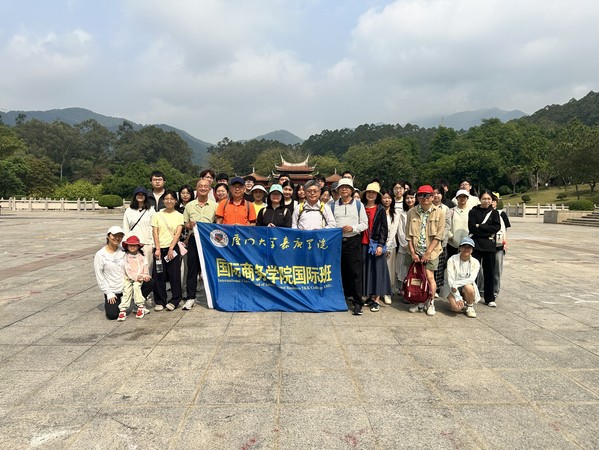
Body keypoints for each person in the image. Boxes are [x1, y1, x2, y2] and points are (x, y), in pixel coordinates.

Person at [405, 185, 446, 316]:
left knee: (429, 276)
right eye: (421, 195)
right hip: (415, 251)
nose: (424, 198)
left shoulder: (439, 213)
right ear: (418, 197)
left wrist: (428, 253)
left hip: (432, 251)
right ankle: (419, 301)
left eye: (427, 195)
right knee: (417, 277)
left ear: (432, 197)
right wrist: (413, 252)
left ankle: (431, 302)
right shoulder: (411, 212)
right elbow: (408, 235)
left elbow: (439, 236)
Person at [331, 178, 368, 315]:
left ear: (352, 190)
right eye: (342, 187)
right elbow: (329, 223)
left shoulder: (358, 205)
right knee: (338, 271)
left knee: (355, 273)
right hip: (337, 241)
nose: (344, 189)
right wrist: (337, 229)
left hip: (353, 241)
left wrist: (353, 228)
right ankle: (340, 300)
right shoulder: (332, 205)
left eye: (347, 187)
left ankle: (358, 302)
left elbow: (364, 224)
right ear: (338, 190)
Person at [182, 179, 218, 310]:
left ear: (209, 189)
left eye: (205, 186)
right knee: (192, 268)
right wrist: (189, 225)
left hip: (209, 241)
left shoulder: (215, 206)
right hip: (194, 239)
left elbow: (218, 223)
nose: (203, 188)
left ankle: (213, 296)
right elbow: (184, 223)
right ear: (197, 189)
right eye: (200, 186)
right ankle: (190, 297)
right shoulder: (190, 205)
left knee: (210, 268)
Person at [151, 190, 184, 311]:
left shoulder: (179, 215)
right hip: (159, 249)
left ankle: (175, 300)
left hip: (172, 248)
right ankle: (160, 301)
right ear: (163, 200)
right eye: (166, 199)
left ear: (175, 201)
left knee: (174, 275)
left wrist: (171, 248)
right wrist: (157, 248)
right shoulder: (157, 215)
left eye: (171, 199)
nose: (169, 201)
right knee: (159, 275)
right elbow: (155, 232)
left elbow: (178, 233)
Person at [361, 182, 391, 312]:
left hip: (375, 244)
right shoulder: (361, 207)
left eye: (373, 193)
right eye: (369, 192)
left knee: (378, 271)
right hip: (363, 243)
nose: (371, 194)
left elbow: (384, 229)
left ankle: (377, 299)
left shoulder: (380, 209)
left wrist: (380, 245)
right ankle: (370, 296)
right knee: (367, 270)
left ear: (377, 195)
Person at [468, 189, 501, 307]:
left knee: (489, 272)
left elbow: (496, 228)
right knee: (473, 272)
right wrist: (487, 230)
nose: (486, 201)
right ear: (480, 199)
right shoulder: (473, 212)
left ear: (492, 200)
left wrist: (480, 226)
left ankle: (489, 298)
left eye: (489, 199)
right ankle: (471, 296)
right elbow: (472, 228)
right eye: (484, 198)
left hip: (489, 247)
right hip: (476, 245)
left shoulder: (494, 213)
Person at [443, 237, 481, 318]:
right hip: (451, 287)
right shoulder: (452, 260)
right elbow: (450, 280)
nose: (466, 249)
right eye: (464, 247)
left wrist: (456, 284)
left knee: (469, 287)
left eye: (469, 247)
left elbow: (471, 279)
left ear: (472, 250)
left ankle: (470, 306)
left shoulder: (475, 262)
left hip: (463, 286)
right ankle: (459, 303)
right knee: (456, 308)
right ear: (460, 248)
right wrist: (458, 297)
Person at [123, 187, 156, 277]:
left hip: (147, 243)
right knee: (133, 268)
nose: (140, 196)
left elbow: (154, 228)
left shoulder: (151, 210)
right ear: (135, 196)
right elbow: (126, 228)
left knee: (147, 268)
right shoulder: (129, 211)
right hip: (133, 244)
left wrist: (154, 244)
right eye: (138, 194)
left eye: (142, 195)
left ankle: (146, 285)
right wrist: (126, 243)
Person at [95, 226, 126, 320]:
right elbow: (99, 275)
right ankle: (118, 302)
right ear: (108, 236)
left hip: (126, 287)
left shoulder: (123, 251)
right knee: (112, 315)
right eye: (114, 235)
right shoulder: (100, 255)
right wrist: (108, 292)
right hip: (113, 290)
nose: (117, 238)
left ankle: (135, 302)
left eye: (120, 236)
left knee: (149, 282)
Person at [118, 235, 152, 321]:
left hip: (139, 277)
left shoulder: (141, 256)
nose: (132, 247)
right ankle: (123, 309)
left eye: (134, 245)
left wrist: (145, 276)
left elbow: (145, 267)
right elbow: (128, 270)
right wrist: (136, 277)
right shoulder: (125, 257)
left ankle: (140, 306)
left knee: (137, 287)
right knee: (127, 291)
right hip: (128, 278)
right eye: (130, 245)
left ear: (138, 246)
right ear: (127, 246)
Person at [381, 188, 400, 305]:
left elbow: (393, 231)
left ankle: (387, 292)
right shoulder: (379, 210)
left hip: (390, 245)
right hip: (378, 245)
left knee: (389, 269)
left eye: (389, 198)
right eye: (384, 197)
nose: (387, 200)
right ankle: (379, 290)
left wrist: (387, 247)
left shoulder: (395, 213)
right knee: (379, 269)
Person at [432, 185, 451, 297]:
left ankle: (437, 287)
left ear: (442, 195)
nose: (436, 195)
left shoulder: (446, 209)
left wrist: (439, 238)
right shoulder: (427, 207)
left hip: (441, 242)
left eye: (438, 193)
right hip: (428, 242)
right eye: (433, 193)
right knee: (430, 265)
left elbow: (447, 226)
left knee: (439, 265)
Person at [492, 193, 511, 300]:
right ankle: (483, 289)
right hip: (486, 245)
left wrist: (505, 243)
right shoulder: (483, 213)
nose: (491, 203)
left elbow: (505, 230)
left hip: (499, 245)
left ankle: (495, 290)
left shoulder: (501, 214)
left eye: (493, 201)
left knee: (497, 269)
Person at [446, 189, 471, 260]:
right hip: (452, 244)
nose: (462, 198)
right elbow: (446, 225)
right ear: (456, 198)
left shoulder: (471, 211)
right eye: (460, 197)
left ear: (467, 198)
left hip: (467, 243)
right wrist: (451, 237)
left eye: (464, 197)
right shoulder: (451, 211)